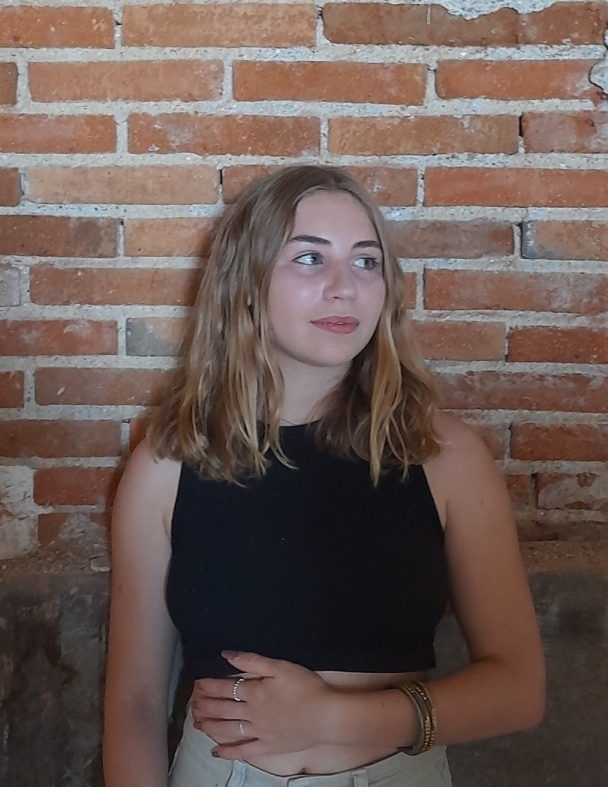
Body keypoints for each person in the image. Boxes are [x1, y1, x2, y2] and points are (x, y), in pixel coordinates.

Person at [102, 165, 545, 787]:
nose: (344, 288)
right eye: (309, 258)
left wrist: (332, 719)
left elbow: (518, 690)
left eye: (366, 262)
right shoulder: (168, 462)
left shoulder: (446, 456)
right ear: (247, 282)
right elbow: (135, 702)